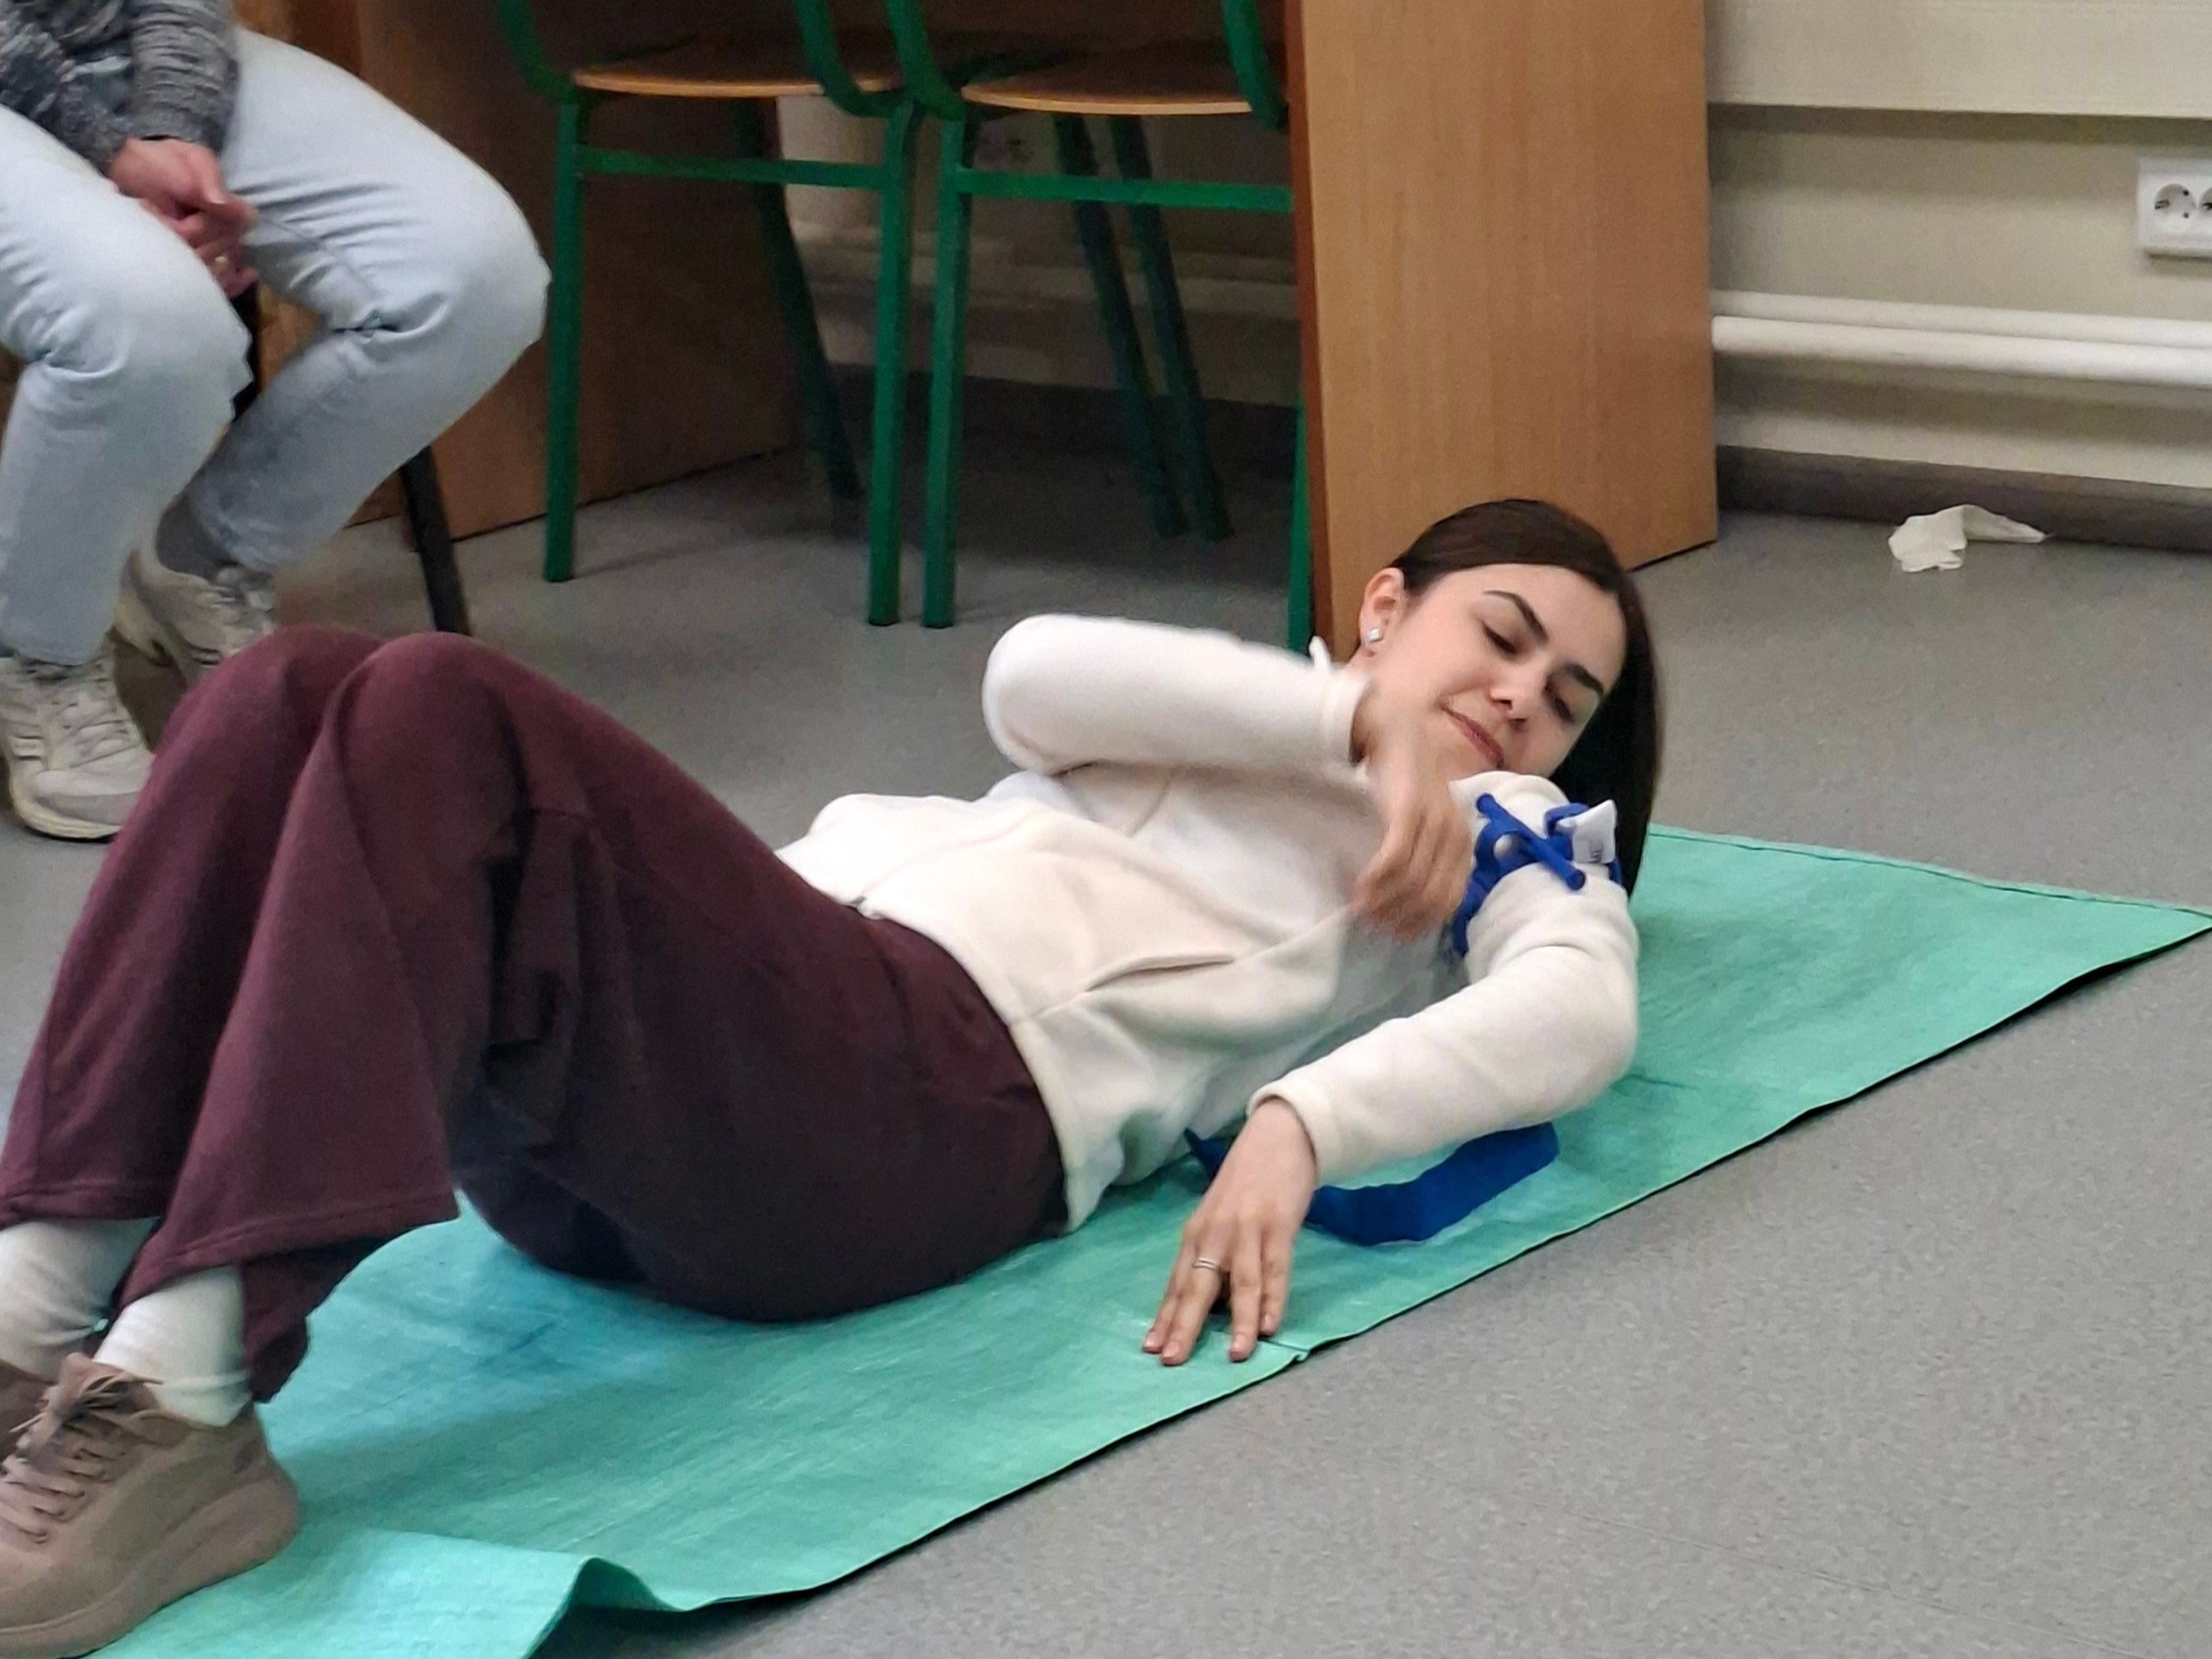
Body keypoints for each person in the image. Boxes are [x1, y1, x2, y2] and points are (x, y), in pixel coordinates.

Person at [0, 498, 1657, 1654]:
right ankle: (30, 1312)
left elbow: (1578, 1008)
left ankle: (183, 1401)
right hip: (666, 1107)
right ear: (1385, 604)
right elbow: (1027, 675)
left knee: (443, 702)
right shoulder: (1257, 707)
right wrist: (1347, 723)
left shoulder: (1500, 831)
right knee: (282, 685)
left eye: (1563, 697)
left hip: (921, 1106)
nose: (1518, 698)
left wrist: (1305, 1120)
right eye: (1499, 636)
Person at [0, 0, 546, 841]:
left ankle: (202, 559)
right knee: (149, 326)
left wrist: (175, 132)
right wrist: (116, 155)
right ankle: (39, 656)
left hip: (137, 46)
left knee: (473, 277)